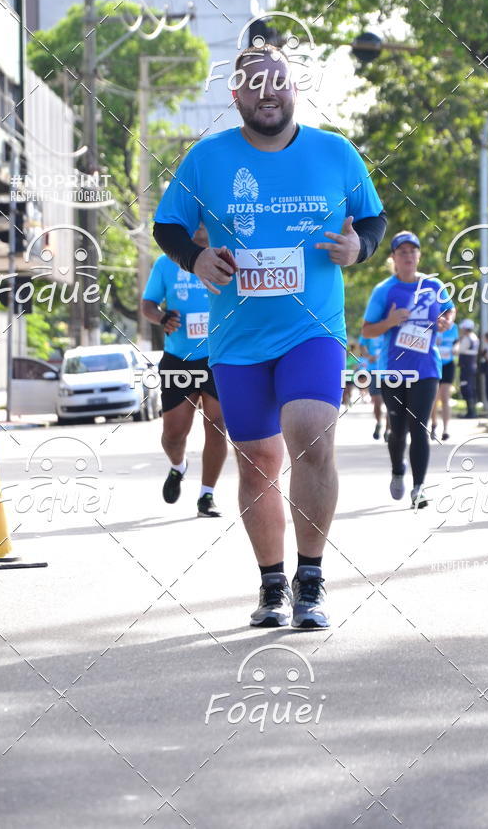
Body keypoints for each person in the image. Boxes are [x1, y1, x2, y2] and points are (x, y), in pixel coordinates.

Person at [152, 44, 387, 629]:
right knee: (257, 460)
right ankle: (272, 585)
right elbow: (167, 224)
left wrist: (362, 247)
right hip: (237, 338)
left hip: (312, 329)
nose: (266, 92)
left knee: (311, 436)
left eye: (277, 81)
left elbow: (374, 218)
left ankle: (312, 578)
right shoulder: (207, 159)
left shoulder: (335, 152)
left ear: (293, 88)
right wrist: (195, 258)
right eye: (253, 84)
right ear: (235, 95)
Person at [361, 231, 456, 508]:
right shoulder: (384, 290)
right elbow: (367, 329)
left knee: (420, 428)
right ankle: (397, 470)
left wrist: (446, 320)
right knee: (398, 429)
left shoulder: (434, 285)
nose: (408, 256)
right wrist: (390, 321)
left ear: (419, 256)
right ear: (393, 258)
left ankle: (419, 488)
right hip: (394, 370)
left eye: (413, 251)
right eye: (402, 252)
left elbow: (450, 309)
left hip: (426, 368)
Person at [141, 226, 227, 517]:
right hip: (179, 358)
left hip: (218, 356)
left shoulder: (226, 256)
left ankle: (207, 495)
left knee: (217, 426)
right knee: (174, 435)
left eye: (207, 219)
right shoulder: (167, 263)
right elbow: (147, 304)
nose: (203, 226)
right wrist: (162, 317)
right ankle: (178, 466)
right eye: (198, 220)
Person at [431, 322, 459, 440]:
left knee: (445, 397)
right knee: (434, 398)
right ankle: (434, 425)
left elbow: (457, 342)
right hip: (434, 364)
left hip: (448, 365)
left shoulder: (454, 327)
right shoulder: (432, 324)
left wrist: (456, 348)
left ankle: (446, 429)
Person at [359, 333, 385, 438]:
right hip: (373, 370)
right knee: (377, 401)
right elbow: (362, 345)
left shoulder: (391, 325)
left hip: (389, 370)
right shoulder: (370, 327)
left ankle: (389, 430)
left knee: (391, 403)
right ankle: (379, 422)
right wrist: (369, 356)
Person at [458, 318, 479, 418]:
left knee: (466, 388)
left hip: (466, 367)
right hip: (472, 366)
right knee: (470, 388)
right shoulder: (475, 337)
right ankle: (471, 411)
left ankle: (471, 412)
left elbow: (459, 350)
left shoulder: (467, 339)